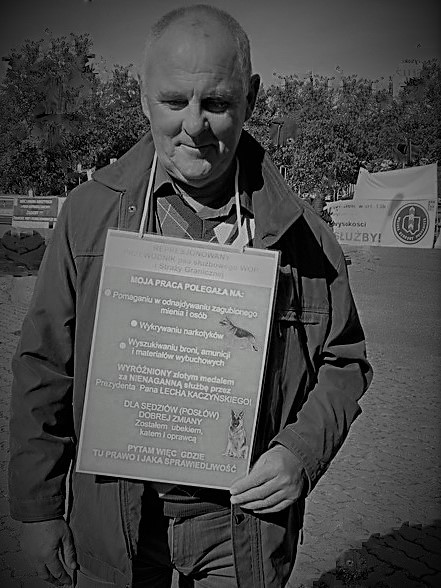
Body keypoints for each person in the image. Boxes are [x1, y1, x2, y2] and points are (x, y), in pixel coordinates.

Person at [8, 5, 372, 588]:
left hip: (241, 526)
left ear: (251, 97)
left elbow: (343, 362)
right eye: (174, 101)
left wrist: (300, 453)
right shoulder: (87, 215)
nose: (194, 126)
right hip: (117, 517)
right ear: (142, 97)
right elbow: (45, 366)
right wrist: (38, 508)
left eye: (217, 103)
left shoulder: (302, 234)